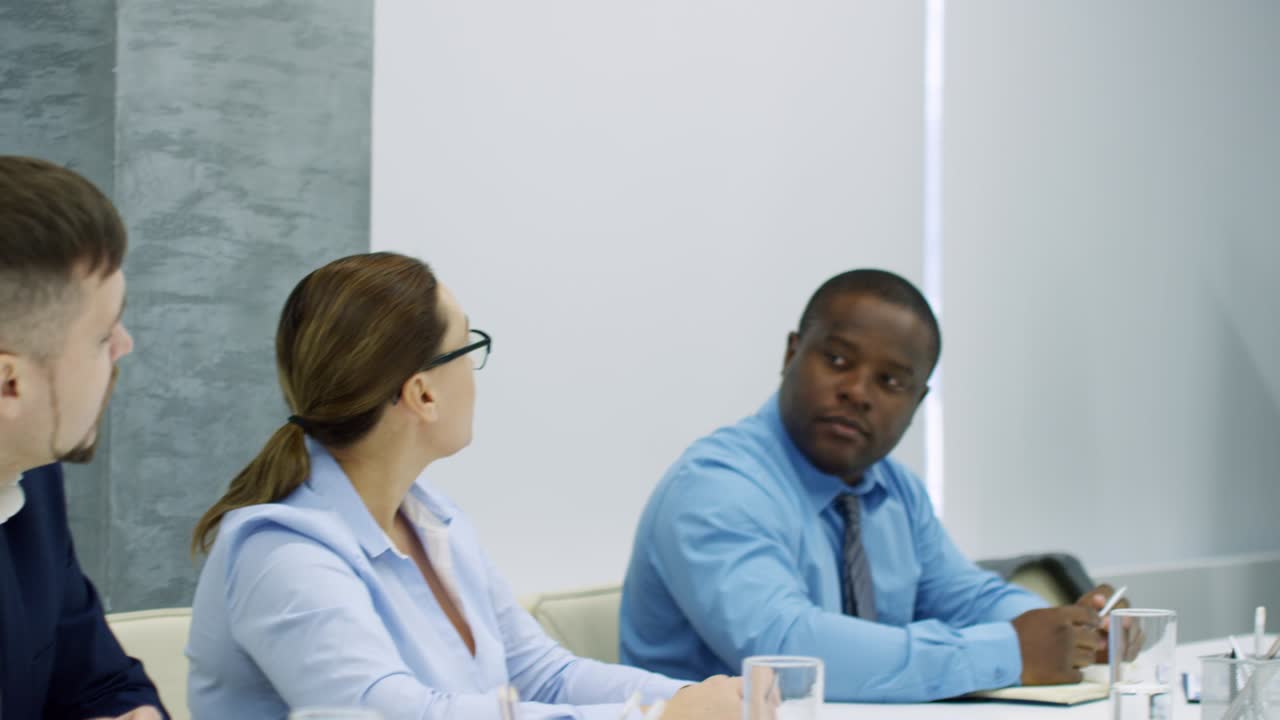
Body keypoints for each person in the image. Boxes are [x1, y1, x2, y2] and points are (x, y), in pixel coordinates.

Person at [185, 252, 741, 720]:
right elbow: (391, 712)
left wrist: (690, 699)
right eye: (469, 349)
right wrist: (650, 717)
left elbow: (540, 675)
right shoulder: (282, 553)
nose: (476, 374)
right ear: (422, 394)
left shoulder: (433, 520)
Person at [619, 269, 1126, 703]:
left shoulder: (893, 489)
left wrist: (1073, 630)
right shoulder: (716, 487)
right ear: (792, 353)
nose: (857, 392)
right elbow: (789, 650)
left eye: (890, 382)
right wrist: (1007, 652)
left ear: (918, 401)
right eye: (838, 361)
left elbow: (967, 598)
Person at [0, 156, 164, 719]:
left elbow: (102, 684)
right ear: (7, 382)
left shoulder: (30, 483)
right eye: (101, 335)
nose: (124, 345)